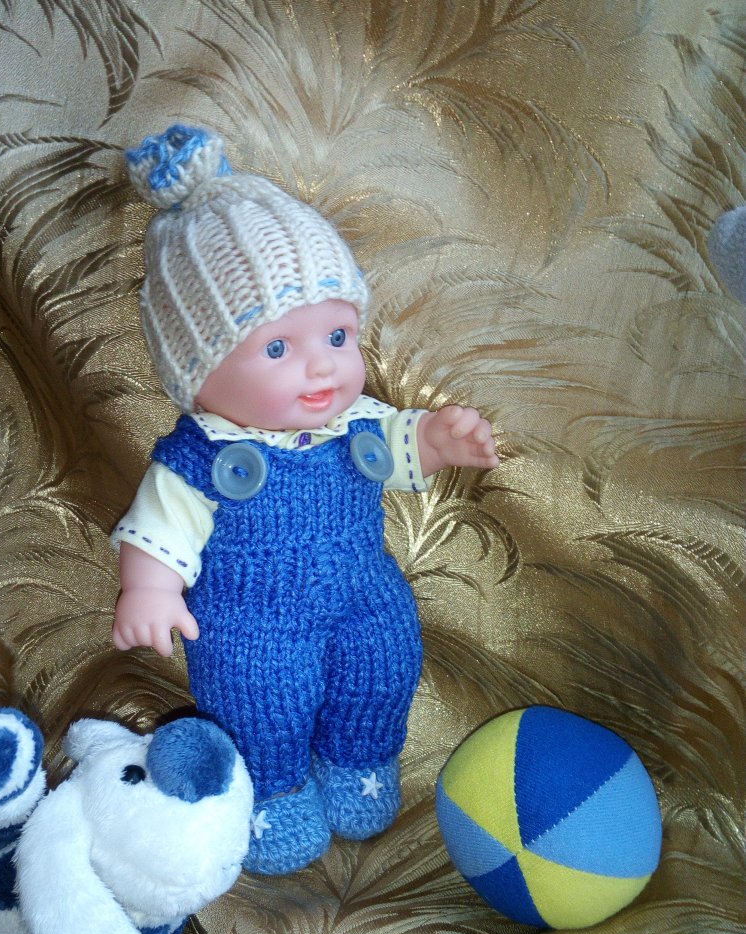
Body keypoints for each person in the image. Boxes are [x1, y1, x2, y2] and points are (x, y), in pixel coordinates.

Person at [112, 125, 499, 874]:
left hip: (364, 593)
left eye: (338, 335)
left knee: (384, 663)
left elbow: (401, 445)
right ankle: (272, 793)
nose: (322, 367)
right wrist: (150, 589)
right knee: (261, 701)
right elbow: (157, 529)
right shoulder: (201, 456)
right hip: (251, 622)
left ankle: (360, 763)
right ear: (197, 373)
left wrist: (438, 439)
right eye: (278, 348)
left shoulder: (354, 422)